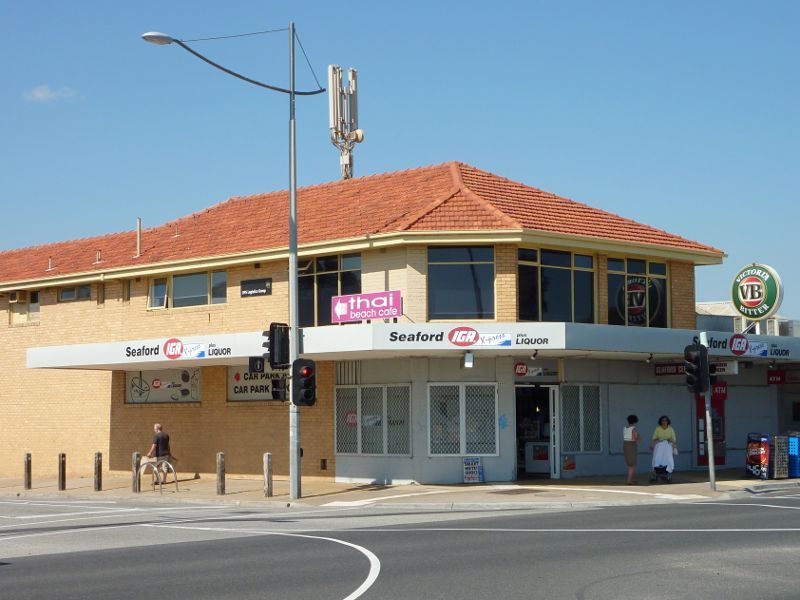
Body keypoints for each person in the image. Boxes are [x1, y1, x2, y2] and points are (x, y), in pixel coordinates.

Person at [623, 414, 640, 485]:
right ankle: (629, 480)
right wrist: (638, 438)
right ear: (635, 421)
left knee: (629, 463)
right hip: (631, 446)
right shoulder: (633, 428)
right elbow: (634, 439)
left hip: (625, 444)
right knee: (632, 464)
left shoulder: (625, 428)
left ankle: (630, 479)